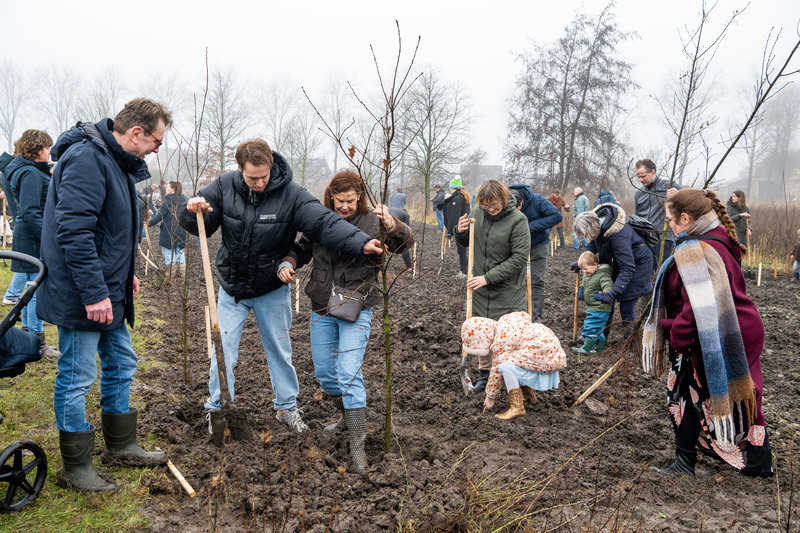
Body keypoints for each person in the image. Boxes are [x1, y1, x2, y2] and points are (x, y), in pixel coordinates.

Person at [180, 139, 383, 435]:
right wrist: (191, 209)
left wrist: (360, 241)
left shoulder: (291, 194)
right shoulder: (224, 186)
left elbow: (325, 223)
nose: (260, 183)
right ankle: (217, 408)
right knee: (223, 349)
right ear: (240, 170)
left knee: (279, 351)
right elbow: (200, 224)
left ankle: (286, 407)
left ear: (271, 167)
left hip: (271, 287)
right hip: (232, 287)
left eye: (264, 176)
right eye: (253, 178)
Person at [39, 98, 173, 492]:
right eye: (157, 141)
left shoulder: (115, 163)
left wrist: (126, 275)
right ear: (136, 133)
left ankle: (121, 445)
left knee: (121, 361)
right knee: (78, 374)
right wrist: (96, 292)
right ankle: (75, 466)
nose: (157, 149)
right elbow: (75, 233)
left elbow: (114, 230)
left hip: (109, 289)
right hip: (83, 293)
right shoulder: (86, 159)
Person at [279, 170, 412, 473]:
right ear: (331, 197)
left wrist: (392, 225)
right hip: (323, 304)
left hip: (357, 303)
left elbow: (404, 245)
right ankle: (345, 416)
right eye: (339, 201)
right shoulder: (321, 219)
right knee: (327, 374)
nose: (344, 207)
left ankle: (357, 448)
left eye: (350, 201)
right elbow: (301, 248)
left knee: (349, 374)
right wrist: (289, 262)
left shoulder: (373, 219)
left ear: (360, 197)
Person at [643, 188, 773, 478]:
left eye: (671, 219)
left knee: (683, 394)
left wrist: (674, 334)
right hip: (740, 327)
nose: (669, 225)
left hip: (712, 334)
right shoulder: (721, 238)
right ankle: (759, 461)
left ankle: (685, 463)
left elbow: (696, 309)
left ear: (686, 218)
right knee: (743, 394)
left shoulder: (694, 251)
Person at [455, 180, 530, 392]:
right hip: (481, 288)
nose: (490, 209)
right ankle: (485, 375)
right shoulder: (477, 213)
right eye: (486, 205)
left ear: (504, 199)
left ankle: (510, 378)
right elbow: (466, 241)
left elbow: (518, 258)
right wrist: (460, 230)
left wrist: (488, 277)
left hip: (507, 290)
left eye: (494, 205)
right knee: (483, 334)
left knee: (505, 336)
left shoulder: (518, 220)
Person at [4, 130, 58, 357]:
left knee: (29, 289)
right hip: (33, 239)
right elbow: (29, 211)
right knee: (36, 291)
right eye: (46, 148)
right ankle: (38, 343)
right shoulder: (31, 174)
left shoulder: (25, 170)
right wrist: (49, 237)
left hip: (27, 237)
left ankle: (29, 339)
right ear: (37, 151)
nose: (49, 152)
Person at [462, 311, 564, 421]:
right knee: (516, 360)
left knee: (505, 366)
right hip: (553, 354)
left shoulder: (501, 342)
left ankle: (517, 407)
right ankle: (528, 395)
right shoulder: (506, 323)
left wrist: (490, 397)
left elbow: (496, 372)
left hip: (544, 360)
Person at [573, 204, 653, 337]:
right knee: (605, 296)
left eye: (588, 236)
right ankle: (600, 334)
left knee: (626, 302)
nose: (588, 239)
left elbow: (627, 268)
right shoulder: (596, 228)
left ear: (593, 229)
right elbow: (592, 247)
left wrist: (612, 293)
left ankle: (631, 340)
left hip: (638, 264)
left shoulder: (617, 235)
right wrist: (581, 263)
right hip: (619, 261)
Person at [508, 183, 562, 321]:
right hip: (516, 246)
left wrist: (530, 226)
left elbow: (556, 216)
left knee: (536, 280)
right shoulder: (505, 201)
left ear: (522, 202)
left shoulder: (538, 201)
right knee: (514, 280)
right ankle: (517, 315)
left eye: (518, 209)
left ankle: (535, 317)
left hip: (538, 244)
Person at [634, 159, 680, 264]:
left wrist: (679, 194)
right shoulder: (639, 193)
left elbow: (690, 197)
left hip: (664, 239)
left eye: (643, 176)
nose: (640, 180)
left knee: (661, 275)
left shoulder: (668, 185)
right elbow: (637, 218)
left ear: (653, 172)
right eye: (638, 177)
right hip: (644, 241)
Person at [572, 251, 613, 354]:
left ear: (595, 265)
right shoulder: (588, 274)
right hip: (591, 307)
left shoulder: (603, 275)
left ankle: (586, 349)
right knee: (597, 329)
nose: (584, 271)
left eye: (586, 269)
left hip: (600, 308)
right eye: (582, 269)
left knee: (591, 327)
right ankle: (599, 348)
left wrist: (604, 295)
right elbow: (584, 282)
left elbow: (608, 287)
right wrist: (581, 289)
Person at [0, 151, 28, 305]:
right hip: (23, 221)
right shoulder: (16, 173)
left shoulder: (8, 171)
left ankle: (13, 294)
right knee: (27, 264)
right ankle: (12, 294)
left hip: (19, 219)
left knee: (26, 263)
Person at [148, 180, 188, 278]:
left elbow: (159, 216)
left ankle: (170, 278)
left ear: (173, 189)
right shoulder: (185, 200)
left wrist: (148, 223)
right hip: (182, 231)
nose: (166, 188)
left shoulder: (168, 201)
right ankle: (182, 279)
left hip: (168, 232)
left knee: (169, 254)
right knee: (180, 253)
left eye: (168, 187)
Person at [442, 176, 471, 277]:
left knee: (461, 250)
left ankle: (464, 272)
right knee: (462, 250)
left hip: (461, 228)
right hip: (464, 227)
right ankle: (465, 270)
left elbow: (454, 217)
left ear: (452, 188)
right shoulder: (461, 197)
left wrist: (450, 231)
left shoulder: (457, 199)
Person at [572, 187, 591, 251]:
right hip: (585, 218)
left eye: (575, 191)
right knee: (584, 233)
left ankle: (576, 248)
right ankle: (586, 248)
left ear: (578, 192)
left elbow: (580, 211)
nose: (574, 192)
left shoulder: (580, 199)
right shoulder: (585, 198)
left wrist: (577, 220)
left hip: (580, 219)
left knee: (575, 233)